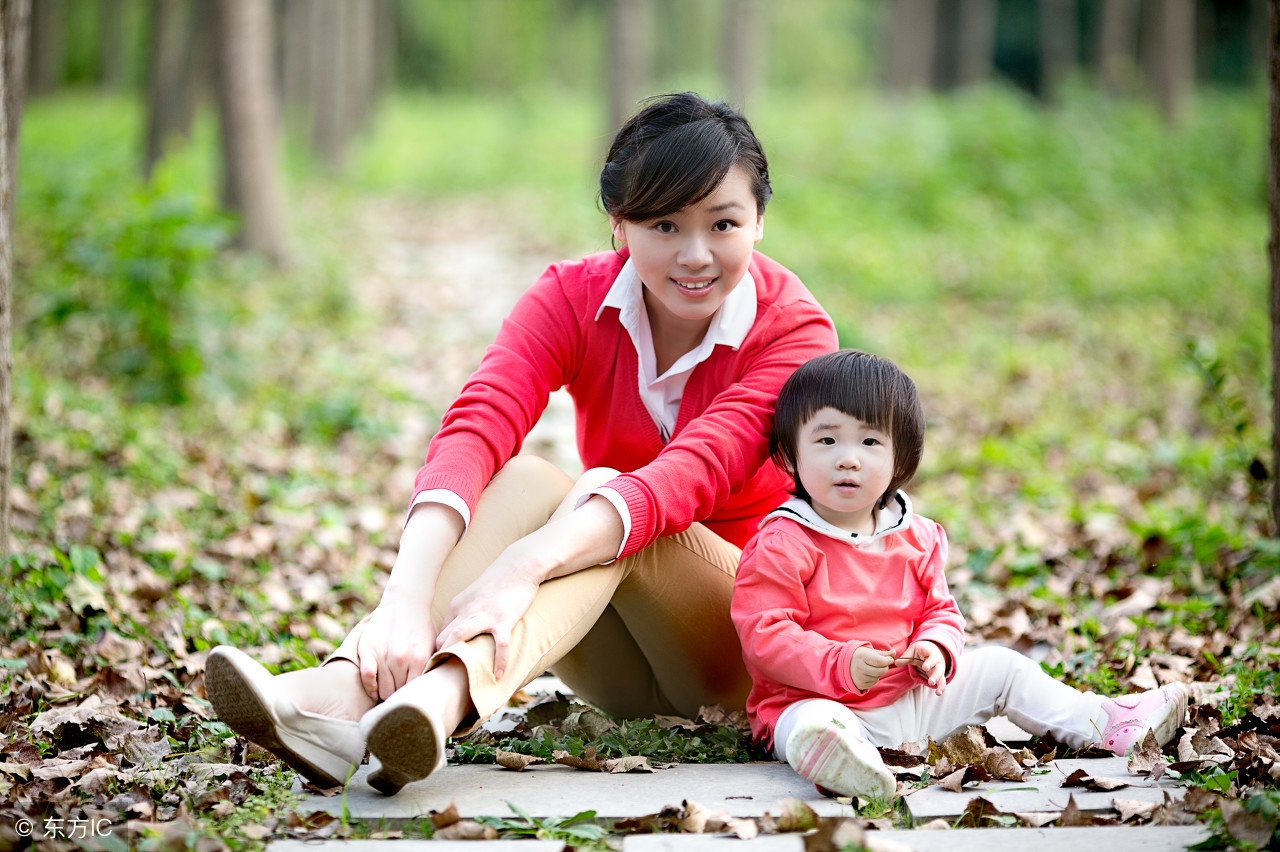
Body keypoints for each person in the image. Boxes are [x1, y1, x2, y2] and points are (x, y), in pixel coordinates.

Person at [205, 92, 839, 795]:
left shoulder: (794, 333)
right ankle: (349, 688)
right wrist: (403, 599)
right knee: (531, 478)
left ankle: (438, 700)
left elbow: (688, 474)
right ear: (618, 222)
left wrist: (523, 564)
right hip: (621, 668)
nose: (695, 255)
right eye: (664, 224)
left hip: (745, 657)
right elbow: (478, 423)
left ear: (759, 221)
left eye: (723, 224)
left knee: (610, 494)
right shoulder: (573, 297)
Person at [730, 349, 1189, 801]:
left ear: (899, 459)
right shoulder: (783, 542)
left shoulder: (916, 536)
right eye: (827, 441)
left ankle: (1106, 722)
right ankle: (845, 763)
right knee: (809, 723)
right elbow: (766, 634)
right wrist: (840, 663)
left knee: (1004, 667)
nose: (848, 459)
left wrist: (935, 648)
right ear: (790, 453)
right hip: (821, 701)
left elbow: (941, 612)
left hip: (913, 701)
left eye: (870, 442)